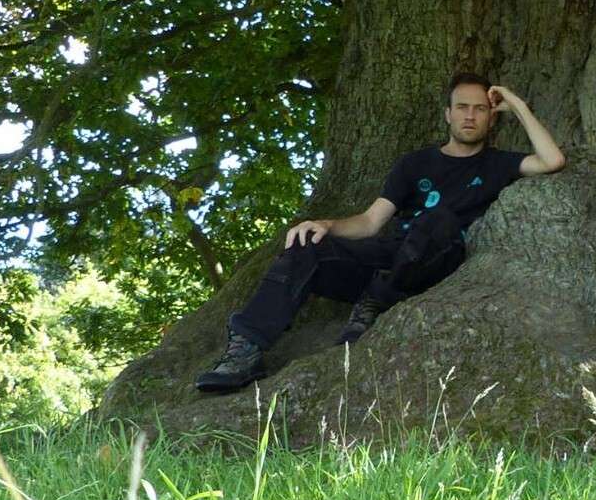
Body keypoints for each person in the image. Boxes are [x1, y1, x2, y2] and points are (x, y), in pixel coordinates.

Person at [195, 72, 566, 392]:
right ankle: (245, 350)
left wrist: (515, 104)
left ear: (491, 117)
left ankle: (378, 299)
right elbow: (371, 222)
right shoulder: (415, 163)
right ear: (448, 114)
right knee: (306, 243)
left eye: (480, 108)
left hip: (437, 262)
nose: (470, 116)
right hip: (388, 258)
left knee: (438, 218)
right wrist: (324, 225)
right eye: (462, 107)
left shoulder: (499, 163)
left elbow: (553, 160)